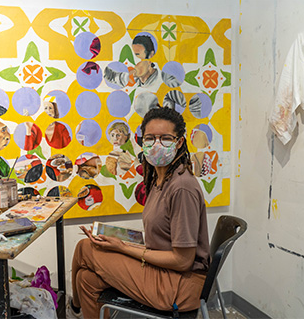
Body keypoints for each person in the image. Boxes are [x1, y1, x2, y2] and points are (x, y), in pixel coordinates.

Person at [68, 106, 210, 319]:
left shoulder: (182, 187)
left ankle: (74, 308)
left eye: (166, 139)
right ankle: (77, 308)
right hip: (161, 270)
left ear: (179, 142)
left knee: (85, 247)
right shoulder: (159, 179)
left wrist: (123, 247)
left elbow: (183, 261)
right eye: (151, 139)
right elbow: (161, 238)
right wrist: (118, 240)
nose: (156, 145)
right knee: (87, 280)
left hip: (178, 283)